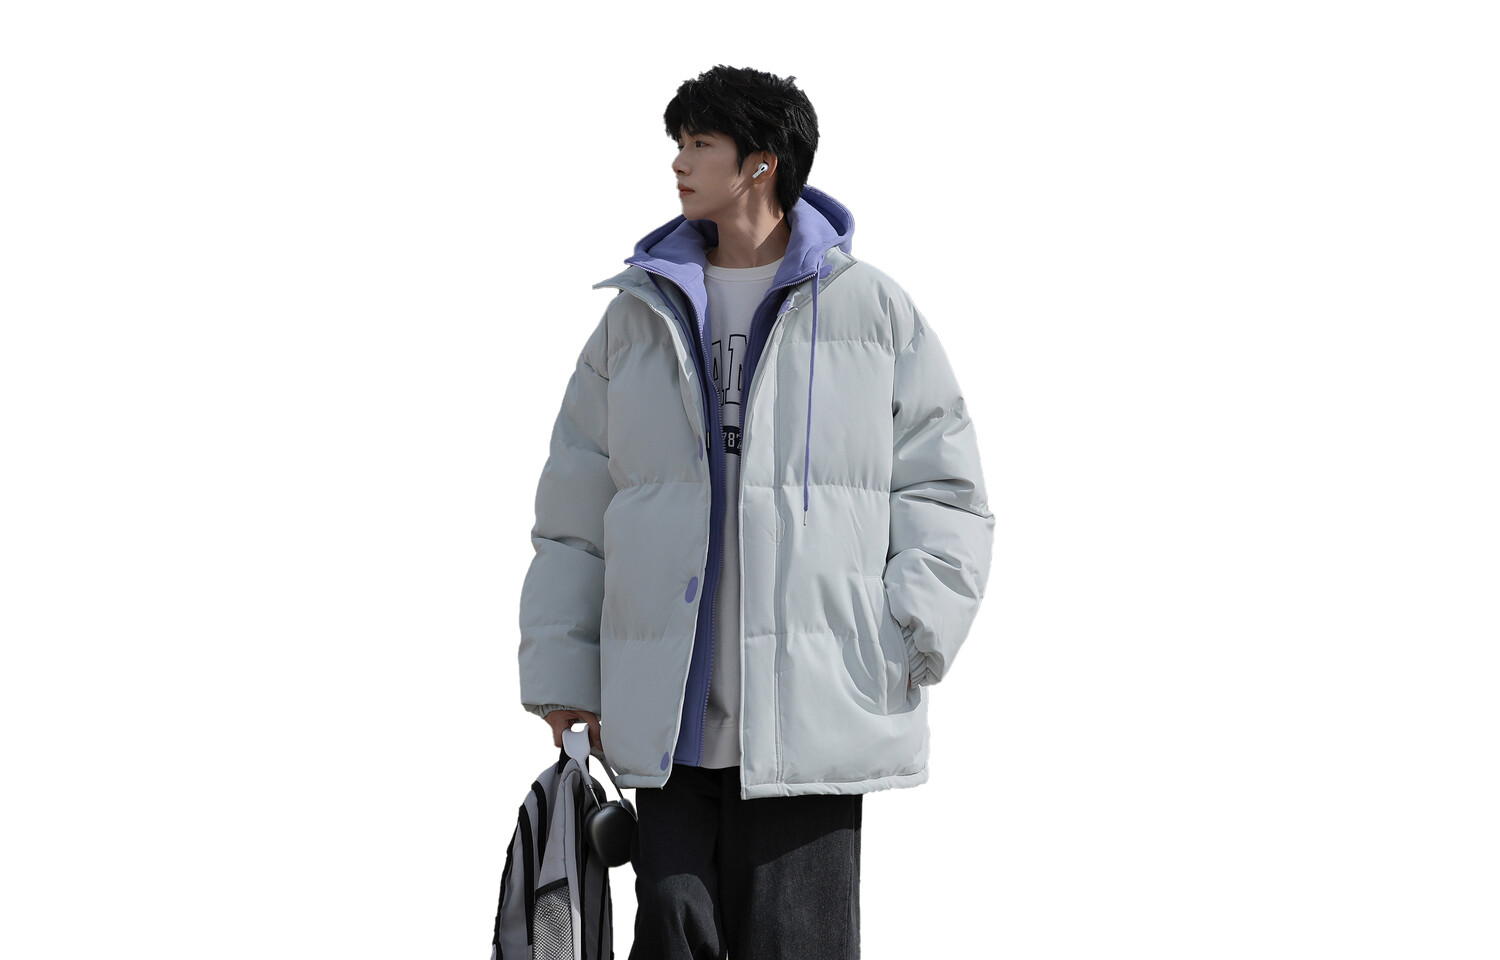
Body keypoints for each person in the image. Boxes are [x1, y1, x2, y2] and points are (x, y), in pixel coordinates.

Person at [517, 64, 994, 959]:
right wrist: (565, 672)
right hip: (670, 718)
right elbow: (576, 509)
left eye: (700, 144)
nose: (678, 163)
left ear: (761, 164)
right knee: (670, 928)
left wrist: (906, 638)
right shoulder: (637, 317)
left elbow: (946, 490)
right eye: (678, 144)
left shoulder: (870, 311)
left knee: (796, 945)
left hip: (817, 714)